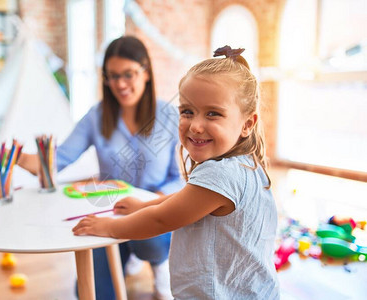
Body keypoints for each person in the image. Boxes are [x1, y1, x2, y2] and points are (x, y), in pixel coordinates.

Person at [72, 45, 280, 299]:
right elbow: (187, 200)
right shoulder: (245, 164)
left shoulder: (221, 174)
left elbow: (160, 220)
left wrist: (109, 227)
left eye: (213, 114)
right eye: (187, 112)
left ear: (247, 124)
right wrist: (143, 205)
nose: (195, 125)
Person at [17, 36, 183, 299]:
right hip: (113, 212)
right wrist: (21, 159)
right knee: (89, 291)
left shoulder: (169, 116)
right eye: (112, 76)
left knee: (151, 240)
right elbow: (58, 160)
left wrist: (151, 203)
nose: (120, 84)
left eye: (128, 74)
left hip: (156, 212)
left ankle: (157, 263)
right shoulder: (97, 116)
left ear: (146, 73)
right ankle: (129, 254)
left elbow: (180, 178)